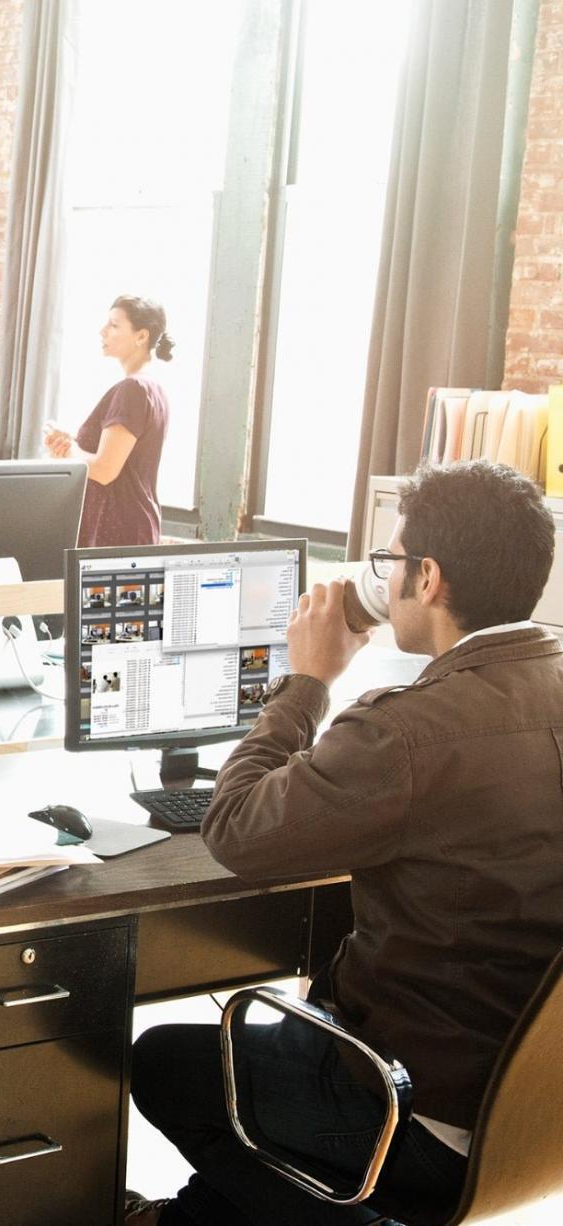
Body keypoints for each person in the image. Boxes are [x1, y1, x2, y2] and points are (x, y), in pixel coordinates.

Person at [128, 460, 563, 1226]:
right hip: (533, 1112)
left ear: (426, 578)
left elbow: (234, 828)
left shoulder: (408, 731)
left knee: (166, 1062)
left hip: (411, 1112)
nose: (383, 577)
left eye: (390, 560)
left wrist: (309, 681)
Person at [44, 295, 172, 547]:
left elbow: (104, 470)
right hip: (132, 526)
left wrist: (68, 449)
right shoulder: (153, 387)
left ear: (141, 336)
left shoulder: (132, 389)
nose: (102, 331)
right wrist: (73, 445)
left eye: (114, 325)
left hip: (119, 530)